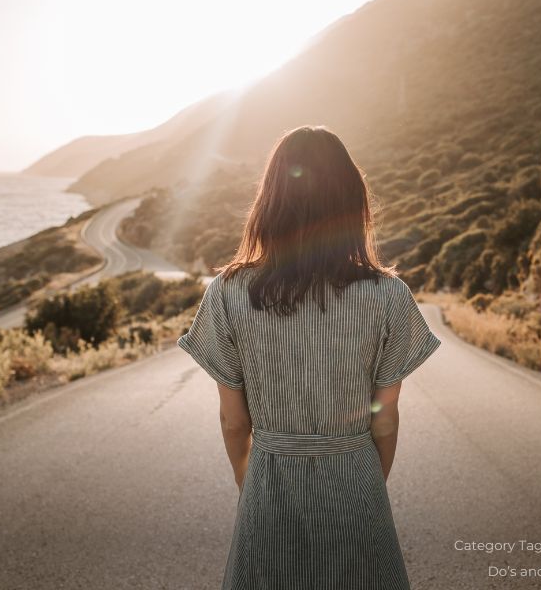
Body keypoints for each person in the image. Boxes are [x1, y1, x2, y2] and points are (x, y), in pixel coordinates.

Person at [176, 124, 441, 589]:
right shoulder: (389, 295)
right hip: (357, 481)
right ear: (351, 202)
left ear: (270, 201)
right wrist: (363, 482)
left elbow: (235, 423)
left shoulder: (225, 293)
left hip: (268, 485)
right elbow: (385, 418)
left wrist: (253, 484)